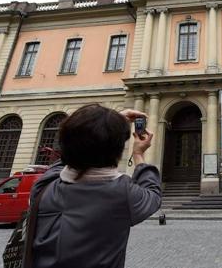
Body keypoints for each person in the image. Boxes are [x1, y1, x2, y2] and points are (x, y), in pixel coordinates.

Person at [29, 104, 161, 268]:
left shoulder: (43, 186)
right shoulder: (123, 194)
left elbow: (66, 158)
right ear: (117, 152)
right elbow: (153, 193)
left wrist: (102, 126)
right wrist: (138, 154)